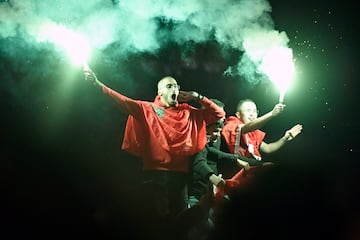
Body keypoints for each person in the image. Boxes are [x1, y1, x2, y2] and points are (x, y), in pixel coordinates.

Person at [83, 67, 225, 231]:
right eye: (169, 86)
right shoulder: (147, 109)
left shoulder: (188, 112)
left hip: (180, 175)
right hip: (155, 174)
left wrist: (197, 97)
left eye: (177, 86)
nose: (175, 89)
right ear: (160, 92)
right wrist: (97, 83)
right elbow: (121, 101)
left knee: (180, 220)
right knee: (156, 222)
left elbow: (219, 114)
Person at [221, 98, 303, 163]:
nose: (252, 114)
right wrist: (271, 114)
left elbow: (268, 148)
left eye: (254, 111)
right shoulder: (232, 123)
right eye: (248, 111)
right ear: (238, 115)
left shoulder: (254, 133)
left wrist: (285, 138)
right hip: (229, 169)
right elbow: (246, 128)